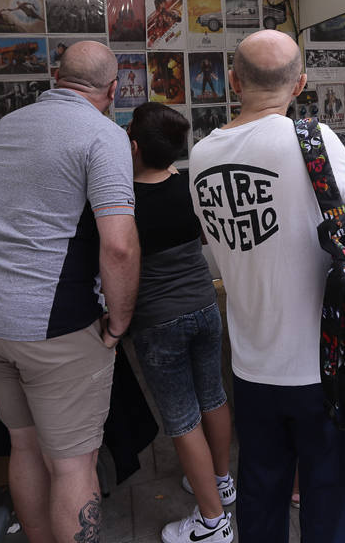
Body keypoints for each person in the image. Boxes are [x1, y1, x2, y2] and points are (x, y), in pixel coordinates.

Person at [188, 30, 345, 543]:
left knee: (261, 494)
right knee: (332, 501)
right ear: (300, 84)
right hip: (324, 361)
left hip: (250, 362)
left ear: (233, 81)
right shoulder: (312, 138)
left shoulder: (201, 155)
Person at [0, 41, 139, 543]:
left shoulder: (6, 126)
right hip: (50, 322)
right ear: (113, 91)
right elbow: (119, 246)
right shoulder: (103, 134)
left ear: (57, 77)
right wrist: (120, 321)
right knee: (74, 464)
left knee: (25, 444)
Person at [126, 103, 234, 543]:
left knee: (182, 418)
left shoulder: (125, 200)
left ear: (134, 146)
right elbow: (205, 234)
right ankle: (222, 481)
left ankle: (212, 522)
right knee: (213, 396)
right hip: (205, 307)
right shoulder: (189, 187)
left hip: (158, 320)